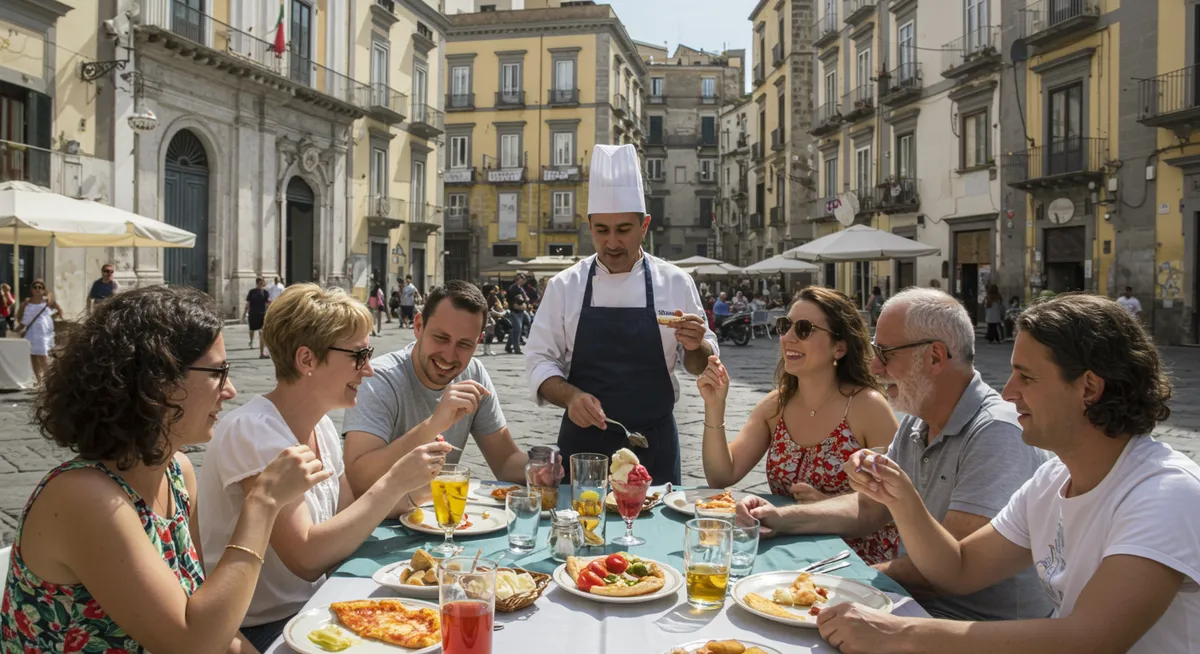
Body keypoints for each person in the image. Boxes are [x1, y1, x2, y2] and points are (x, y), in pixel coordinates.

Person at [820, 293, 1200, 653]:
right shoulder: (1051, 482)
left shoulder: (1165, 493)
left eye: (1026, 377)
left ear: (1089, 388)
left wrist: (900, 633)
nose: (1008, 392)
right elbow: (958, 568)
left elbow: (1089, 640)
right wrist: (899, 497)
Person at [0, 285, 327, 653]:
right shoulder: (84, 497)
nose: (230, 390)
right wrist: (264, 502)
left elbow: (206, 613)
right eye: (217, 373)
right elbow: (193, 644)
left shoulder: (177, 472)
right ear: (156, 381)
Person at [738, 287, 1052, 621]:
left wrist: (851, 581)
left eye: (886, 353)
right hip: (913, 606)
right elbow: (872, 508)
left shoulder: (996, 433)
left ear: (935, 357)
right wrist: (778, 519)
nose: (874, 366)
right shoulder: (917, 422)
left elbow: (949, 571)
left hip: (973, 627)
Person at [197, 284, 452, 649]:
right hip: (265, 627)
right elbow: (307, 557)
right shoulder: (253, 433)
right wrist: (394, 482)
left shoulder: (320, 425)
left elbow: (345, 510)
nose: (369, 370)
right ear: (307, 360)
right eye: (359, 355)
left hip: (315, 608)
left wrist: (415, 495)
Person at [525, 143, 718, 485]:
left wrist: (695, 345)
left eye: (623, 230)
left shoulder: (675, 282)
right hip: (583, 450)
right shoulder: (564, 286)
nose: (612, 242)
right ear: (590, 226)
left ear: (644, 225)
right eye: (602, 230)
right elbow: (540, 362)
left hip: (653, 446)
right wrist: (571, 396)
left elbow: (703, 365)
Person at [698, 287, 900, 564]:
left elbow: (890, 505)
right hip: (786, 548)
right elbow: (721, 476)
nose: (787, 338)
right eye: (785, 325)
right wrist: (714, 405)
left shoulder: (868, 407)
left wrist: (825, 506)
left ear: (839, 347)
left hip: (851, 556)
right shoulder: (776, 405)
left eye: (804, 329)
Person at [342, 281, 544, 514]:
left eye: (464, 344)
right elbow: (358, 482)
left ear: (478, 342)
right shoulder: (378, 379)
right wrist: (434, 424)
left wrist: (538, 470)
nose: (449, 355)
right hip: (377, 527)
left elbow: (505, 461)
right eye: (441, 338)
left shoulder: (474, 374)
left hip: (442, 521)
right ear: (419, 326)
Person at [17, 279, 62, 385]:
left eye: (40, 287)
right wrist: (18, 328)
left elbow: (59, 311)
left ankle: (48, 380)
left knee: (43, 356)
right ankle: (39, 380)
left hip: (43, 333)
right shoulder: (26, 303)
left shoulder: (48, 302)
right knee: (33, 356)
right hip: (31, 333)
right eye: (35, 287)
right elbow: (22, 318)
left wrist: (50, 318)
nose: (37, 289)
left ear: (43, 290)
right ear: (32, 290)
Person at [244, 277, 270, 358]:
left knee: (262, 332)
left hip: (262, 314)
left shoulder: (265, 292)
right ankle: (252, 341)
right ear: (259, 283)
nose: (263, 283)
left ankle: (261, 350)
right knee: (252, 329)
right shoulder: (252, 292)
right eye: (262, 282)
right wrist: (244, 313)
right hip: (253, 313)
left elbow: (268, 303)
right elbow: (248, 303)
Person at [506, 274, 529, 355]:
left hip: (520, 310)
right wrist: (523, 300)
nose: (523, 281)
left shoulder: (520, 288)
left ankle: (508, 346)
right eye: (522, 279)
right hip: (515, 310)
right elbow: (519, 299)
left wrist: (525, 300)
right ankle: (517, 348)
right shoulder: (513, 288)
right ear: (518, 279)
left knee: (516, 329)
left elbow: (525, 298)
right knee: (517, 329)